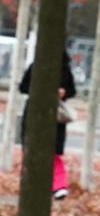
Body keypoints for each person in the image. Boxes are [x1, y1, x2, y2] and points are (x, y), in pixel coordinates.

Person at [19, 50, 77, 200]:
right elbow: (24, 87)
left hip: (55, 115)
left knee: (53, 152)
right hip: (35, 112)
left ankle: (58, 186)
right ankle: (33, 184)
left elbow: (72, 90)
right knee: (32, 150)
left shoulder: (65, 70)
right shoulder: (36, 67)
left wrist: (64, 92)